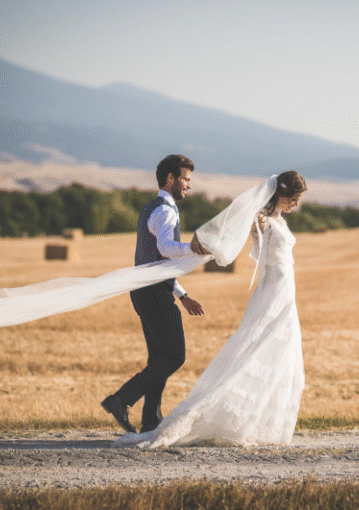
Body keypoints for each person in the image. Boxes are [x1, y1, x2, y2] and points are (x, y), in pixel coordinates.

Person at [113, 170, 307, 448]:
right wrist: (204, 242)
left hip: (285, 289)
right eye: (295, 199)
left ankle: (256, 420)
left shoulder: (275, 219)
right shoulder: (260, 219)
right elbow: (230, 222)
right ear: (283, 195)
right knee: (253, 348)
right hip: (274, 288)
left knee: (280, 348)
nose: (296, 205)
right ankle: (206, 414)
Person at [101, 154, 210, 434]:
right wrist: (193, 248)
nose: (189, 185)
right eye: (185, 179)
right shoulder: (166, 210)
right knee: (174, 356)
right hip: (153, 294)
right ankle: (122, 399)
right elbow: (165, 248)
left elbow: (157, 263)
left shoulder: (152, 206)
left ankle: (151, 420)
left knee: (159, 357)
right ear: (170, 179)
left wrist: (183, 296)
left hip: (146, 290)